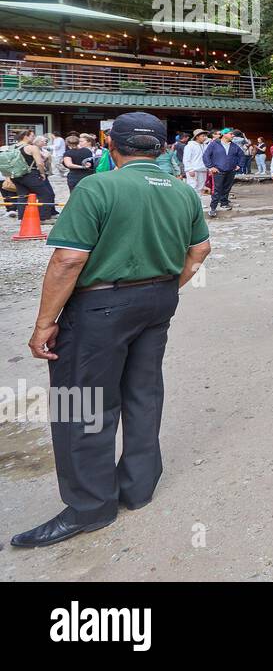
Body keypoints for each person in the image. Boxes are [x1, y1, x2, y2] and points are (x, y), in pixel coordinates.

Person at [11, 112, 211, 548]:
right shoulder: (182, 190)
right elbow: (200, 248)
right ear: (160, 148)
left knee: (80, 402)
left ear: (111, 146)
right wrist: (167, 284)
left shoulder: (98, 187)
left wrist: (44, 322)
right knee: (143, 392)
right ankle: (138, 488)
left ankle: (90, 506)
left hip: (101, 304)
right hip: (158, 299)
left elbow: (68, 259)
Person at [10, 129, 58, 222]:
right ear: (26, 136)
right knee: (46, 194)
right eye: (32, 136)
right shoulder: (32, 148)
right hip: (30, 175)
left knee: (23, 196)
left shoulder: (12, 147)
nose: (34, 138)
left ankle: (23, 218)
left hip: (16, 175)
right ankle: (43, 218)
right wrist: (42, 173)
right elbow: (39, 163)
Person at [202, 127, 242, 217]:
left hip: (230, 170)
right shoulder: (214, 144)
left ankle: (224, 203)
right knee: (217, 189)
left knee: (227, 188)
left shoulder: (234, 146)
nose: (233, 135)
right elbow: (206, 156)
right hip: (218, 171)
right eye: (231, 134)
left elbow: (242, 155)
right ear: (224, 134)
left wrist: (239, 165)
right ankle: (213, 208)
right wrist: (210, 166)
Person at [183, 129, 209, 198]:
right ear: (197, 137)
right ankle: (192, 203)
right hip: (193, 170)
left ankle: (199, 202)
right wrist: (190, 169)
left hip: (203, 169)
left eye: (205, 136)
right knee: (192, 187)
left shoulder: (206, 146)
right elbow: (186, 159)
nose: (205, 137)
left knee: (201, 187)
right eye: (203, 136)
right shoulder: (190, 146)